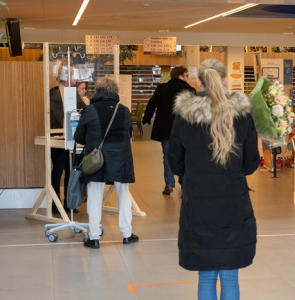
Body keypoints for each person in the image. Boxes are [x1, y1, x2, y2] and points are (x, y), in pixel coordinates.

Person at [168, 59, 260, 300]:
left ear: (198, 82)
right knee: (230, 274)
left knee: (206, 274)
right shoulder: (242, 114)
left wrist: (188, 175)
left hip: (198, 200)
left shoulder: (185, 115)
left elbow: (174, 159)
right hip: (233, 201)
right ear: (225, 80)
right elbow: (251, 163)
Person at [74, 77, 138, 249]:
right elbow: (129, 133)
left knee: (95, 195)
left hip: (97, 158)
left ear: (98, 91)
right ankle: (127, 234)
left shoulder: (90, 110)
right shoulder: (123, 110)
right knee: (123, 194)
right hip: (120, 158)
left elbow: (78, 137)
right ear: (115, 91)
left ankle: (94, 237)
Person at [142, 66, 196, 195]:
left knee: (167, 156)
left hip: (166, 129)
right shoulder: (190, 90)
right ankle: (184, 184)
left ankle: (169, 185)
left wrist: (146, 118)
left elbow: (152, 104)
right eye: (186, 75)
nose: (188, 78)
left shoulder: (162, 88)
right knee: (184, 156)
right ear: (180, 76)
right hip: (184, 130)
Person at [50, 65, 86, 214]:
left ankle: (68, 203)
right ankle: (55, 203)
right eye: (72, 76)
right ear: (64, 78)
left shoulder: (73, 93)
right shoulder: (52, 93)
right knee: (58, 170)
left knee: (71, 170)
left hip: (72, 137)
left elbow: (83, 109)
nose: (75, 79)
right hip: (57, 137)